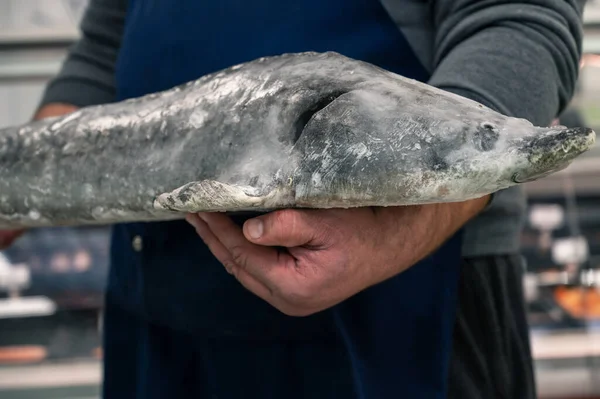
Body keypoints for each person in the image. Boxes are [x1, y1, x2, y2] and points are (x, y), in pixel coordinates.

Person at [1, 0, 587, 397]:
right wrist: (24, 179)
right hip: (157, 304)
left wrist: (411, 221)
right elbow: (105, 48)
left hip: (408, 301)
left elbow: (519, 18)